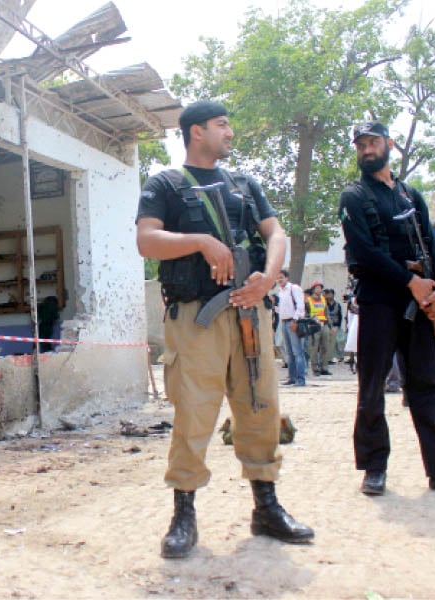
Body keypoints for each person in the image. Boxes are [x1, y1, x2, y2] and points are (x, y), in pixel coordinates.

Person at [136, 100, 314, 559]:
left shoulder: (245, 184)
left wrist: (269, 277)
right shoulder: (166, 185)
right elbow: (146, 240)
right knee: (195, 412)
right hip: (197, 317)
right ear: (197, 132)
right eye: (221, 125)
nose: (230, 132)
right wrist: (202, 242)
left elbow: (276, 234)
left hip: (250, 312)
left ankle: (266, 507)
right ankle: (183, 514)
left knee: (259, 406)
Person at [339, 120, 435, 496]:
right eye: (360, 145)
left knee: (427, 384)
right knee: (372, 386)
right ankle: (374, 467)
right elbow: (364, 251)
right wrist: (410, 282)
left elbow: (433, 245)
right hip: (379, 301)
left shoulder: (411, 195)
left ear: (389, 144)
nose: (366, 150)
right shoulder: (354, 196)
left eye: (373, 142)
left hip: (421, 302)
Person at [276, 270, 308, 386]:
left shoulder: (294, 289)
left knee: (297, 352)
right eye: (277, 278)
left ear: (287, 278)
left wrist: (295, 320)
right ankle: (292, 378)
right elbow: (280, 310)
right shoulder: (280, 292)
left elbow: (300, 306)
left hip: (293, 321)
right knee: (289, 353)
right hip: (283, 322)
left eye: (281, 278)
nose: (279, 280)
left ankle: (300, 379)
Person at [306, 281, 332, 376]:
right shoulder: (308, 301)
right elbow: (306, 313)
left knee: (325, 347)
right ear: (313, 290)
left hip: (324, 324)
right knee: (314, 348)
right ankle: (315, 368)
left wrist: (330, 325)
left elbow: (327, 313)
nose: (319, 290)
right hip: (314, 326)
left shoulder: (323, 300)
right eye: (317, 288)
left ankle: (324, 367)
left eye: (320, 288)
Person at [323, 288, 343, 363]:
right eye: (328, 294)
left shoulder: (337, 305)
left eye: (331, 294)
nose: (329, 295)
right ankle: (327, 358)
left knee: (334, 343)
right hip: (327, 325)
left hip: (335, 325)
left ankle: (333, 357)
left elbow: (340, 316)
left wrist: (338, 326)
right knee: (327, 343)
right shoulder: (324, 304)